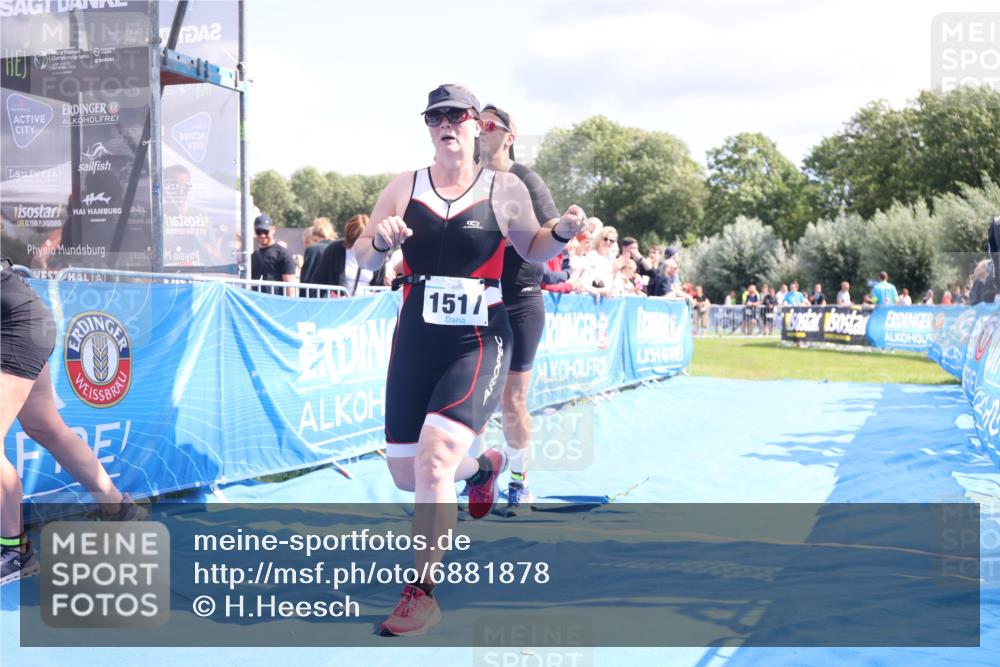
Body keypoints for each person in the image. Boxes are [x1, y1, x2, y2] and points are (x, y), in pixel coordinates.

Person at [352, 84, 587, 637]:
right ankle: (485, 467)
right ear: (428, 127)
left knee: (434, 461)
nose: (447, 124)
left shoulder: (503, 189)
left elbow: (533, 247)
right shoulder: (403, 186)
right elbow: (359, 255)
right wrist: (381, 242)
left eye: (457, 115)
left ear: (477, 126)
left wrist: (565, 233)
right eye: (436, 116)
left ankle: (422, 592)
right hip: (417, 335)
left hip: (479, 336)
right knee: (407, 474)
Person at [1, 263, 146, 585]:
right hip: (25, 319)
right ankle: (117, 507)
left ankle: (14, 553)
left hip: (15, 324)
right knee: (44, 426)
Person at [463, 103, 562, 515]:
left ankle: (519, 482)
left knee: (513, 399)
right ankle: (477, 480)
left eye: (489, 125)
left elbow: (551, 234)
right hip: (478, 300)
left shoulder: (525, 179)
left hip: (520, 297)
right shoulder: (467, 180)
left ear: (509, 136)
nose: (481, 131)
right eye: (477, 124)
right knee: (475, 400)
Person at [314, 214, 387, 296]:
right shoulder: (334, 249)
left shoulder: (377, 252)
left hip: (367, 305)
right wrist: (330, 295)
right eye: (354, 239)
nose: (357, 244)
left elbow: (380, 285)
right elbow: (319, 280)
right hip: (340, 305)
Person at [250, 215, 296, 296]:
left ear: (273, 230)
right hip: (256, 303)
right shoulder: (254, 256)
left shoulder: (283, 254)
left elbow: (290, 285)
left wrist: (290, 304)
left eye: (265, 231)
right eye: (258, 232)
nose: (262, 235)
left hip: (276, 303)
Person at [299, 217, 337, 293]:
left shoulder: (313, 250)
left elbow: (306, 277)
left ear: (315, 235)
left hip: (317, 297)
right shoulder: (341, 248)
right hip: (338, 297)